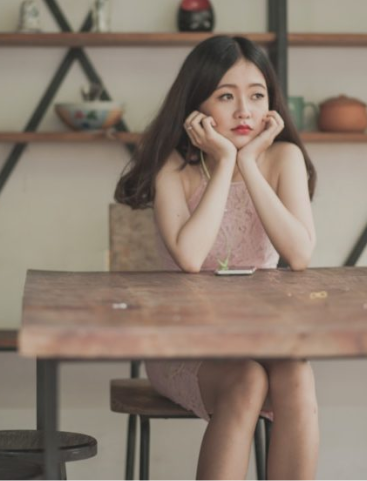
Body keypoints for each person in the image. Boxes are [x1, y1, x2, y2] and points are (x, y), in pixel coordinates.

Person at [115, 35, 319, 480]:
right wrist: (226, 162)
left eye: (257, 96)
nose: (244, 111)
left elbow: (300, 253)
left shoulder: (284, 158)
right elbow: (190, 257)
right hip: (183, 344)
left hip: (258, 336)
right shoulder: (173, 166)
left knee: (297, 372)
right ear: (197, 106)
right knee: (247, 381)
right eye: (226, 96)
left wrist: (250, 164)